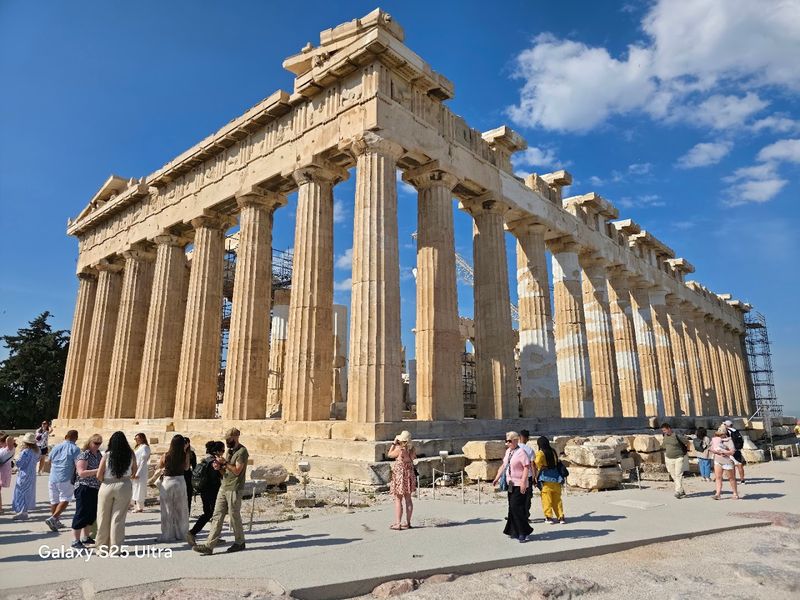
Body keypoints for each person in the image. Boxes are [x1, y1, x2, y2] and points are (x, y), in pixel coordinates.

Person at [193, 428, 249, 555]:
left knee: (234, 515)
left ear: (236, 437)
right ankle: (209, 545)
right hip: (224, 486)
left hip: (235, 487)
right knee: (217, 515)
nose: (227, 442)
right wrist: (219, 467)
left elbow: (237, 471)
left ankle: (240, 542)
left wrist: (224, 463)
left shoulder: (242, 452)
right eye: (226, 439)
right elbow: (226, 471)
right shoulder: (229, 451)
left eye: (229, 439)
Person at [96, 431, 137, 550]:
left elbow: (99, 474)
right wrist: (127, 477)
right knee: (118, 518)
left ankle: (102, 547)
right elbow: (135, 471)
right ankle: (116, 548)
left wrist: (104, 480)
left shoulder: (107, 454)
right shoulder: (131, 454)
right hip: (124, 485)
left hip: (107, 485)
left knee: (103, 517)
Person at [492, 432, 532, 542]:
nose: (507, 443)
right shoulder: (508, 452)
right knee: (511, 507)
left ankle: (524, 531)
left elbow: (526, 467)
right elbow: (504, 466)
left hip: (519, 483)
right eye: (506, 441)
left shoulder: (521, 452)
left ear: (516, 440)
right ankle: (513, 530)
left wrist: (524, 482)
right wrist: (497, 478)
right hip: (510, 484)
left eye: (509, 441)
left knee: (516, 507)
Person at [187, 441, 224, 546]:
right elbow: (218, 477)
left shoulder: (204, 460)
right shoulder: (214, 462)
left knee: (208, 513)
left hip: (203, 491)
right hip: (212, 491)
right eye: (222, 450)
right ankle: (194, 533)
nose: (223, 453)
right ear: (216, 451)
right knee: (214, 514)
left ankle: (212, 536)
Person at [156, 434, 190, 543]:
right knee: (181, 509)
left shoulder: (166, 455)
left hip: (168, 481)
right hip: (180, 481)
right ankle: (182, 534)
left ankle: (167, 535)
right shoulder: (185, 455)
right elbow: (186, 467)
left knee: (167, 509)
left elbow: (160, 466)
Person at [71, 433, 103, 549]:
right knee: (81, 512)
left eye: (99, 443)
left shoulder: (98, 454)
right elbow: (81, 473)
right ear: (90, 442)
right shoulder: (84, 455)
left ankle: (85, 537)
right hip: (84, 486)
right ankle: (75, 539)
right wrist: (98, 470)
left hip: (95, 487)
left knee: (91, 513)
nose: (97, 445)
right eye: (95, 443)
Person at [45, 430, 81, 531]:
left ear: (65, 436)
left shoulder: (56, 447)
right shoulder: (76, 449)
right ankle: (54, 518)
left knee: (54, 500)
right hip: (66, 476)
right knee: (66, 498)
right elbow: (77, 464)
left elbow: (49, 460)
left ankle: (55, 522)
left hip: (53, 476)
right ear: (76, 438)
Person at [387, 430, 417, 531]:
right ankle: (408, 522)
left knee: (398, 499)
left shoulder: (399, 449)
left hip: (400, 474)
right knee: (408, 499)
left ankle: (398, 523)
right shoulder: (412, 449)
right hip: (409, 474)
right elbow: (413, 458)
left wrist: (394, 443)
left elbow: (389, 454)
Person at [534, 436, 565, 524]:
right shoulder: (553, 451)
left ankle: (549, 517)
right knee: (557, 499)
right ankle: (561, 517)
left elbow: (537, 463)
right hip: (556, 478)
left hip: (546, 479)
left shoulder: (540, 453)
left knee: (546, 499)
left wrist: (541, 467)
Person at [11, 432, 40, 519]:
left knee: (21, 492)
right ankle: (24, 510)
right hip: (32, 473)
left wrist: (15, 461)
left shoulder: (25, 452)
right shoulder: (37, 451)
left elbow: (19, 464)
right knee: (28, 492)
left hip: (24, 474)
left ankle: (22, 511)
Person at [710, 425, 740, 500]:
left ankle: (735, 493)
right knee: (718, 477)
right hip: (718, 460)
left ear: (724, 434)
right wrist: (716, 452)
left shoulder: (729, 441)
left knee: (731, 478)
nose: (719, 436)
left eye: (720, 434)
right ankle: (718, 494)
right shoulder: (715, 440)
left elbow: (732, 452)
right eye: (718, 434)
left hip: (727, 461)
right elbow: (711, 448)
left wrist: (724, 452)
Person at [661, 423, 689, 499]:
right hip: (669, 458)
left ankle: (677, 491)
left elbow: (686, 442)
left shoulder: (677, 435)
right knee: (673, 475)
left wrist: (685, 452)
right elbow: (664, 445)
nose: (664, 432)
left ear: (669, 428)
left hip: (679, 457)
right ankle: (681, 490)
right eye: (663, 430)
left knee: (678, 474)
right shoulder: (665, 436)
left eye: (664, 430)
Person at [518, 430, 535, 521]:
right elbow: (532, 464)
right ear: (527, 438)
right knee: (527, 497)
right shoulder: (530, 450)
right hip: (527, 476)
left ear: (519, 437)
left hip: (514, 477)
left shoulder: (513, 448)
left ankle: (514, 515)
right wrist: (534, 476)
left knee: (513, 495)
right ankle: (525, 515)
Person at [723, 420, 747, 485]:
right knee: (739, 465)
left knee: (732, 466)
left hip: (731, 450)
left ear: (727, 425)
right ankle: (742, 480)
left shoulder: (727, 431)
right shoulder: (736, 431)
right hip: (738, 450)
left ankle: (734, 480)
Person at [132, 433, 151, 512]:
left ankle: (140, 507)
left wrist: (138, 473)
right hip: (136, 468)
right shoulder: (138, 447)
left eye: (138, 438)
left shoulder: (145, 447)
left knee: (140, 487)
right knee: (135, 487)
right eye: (135, 439)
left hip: (141, 470)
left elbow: (143, 461)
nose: (136, 440)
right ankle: (136, 505)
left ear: (142, 438)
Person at [0, 434, 16, 515]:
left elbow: (9, 438)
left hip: (4, 471)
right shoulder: (3, 448)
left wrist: (7, 438)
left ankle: (0, 509)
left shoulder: (10, 449)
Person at [183, 436, 197, 510]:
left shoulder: (191, 454)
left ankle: (187, 512)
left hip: (188, 475)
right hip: (179, 475)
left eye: (186, 442)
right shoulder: (178, 453)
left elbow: (195, 466)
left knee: (188, 494)